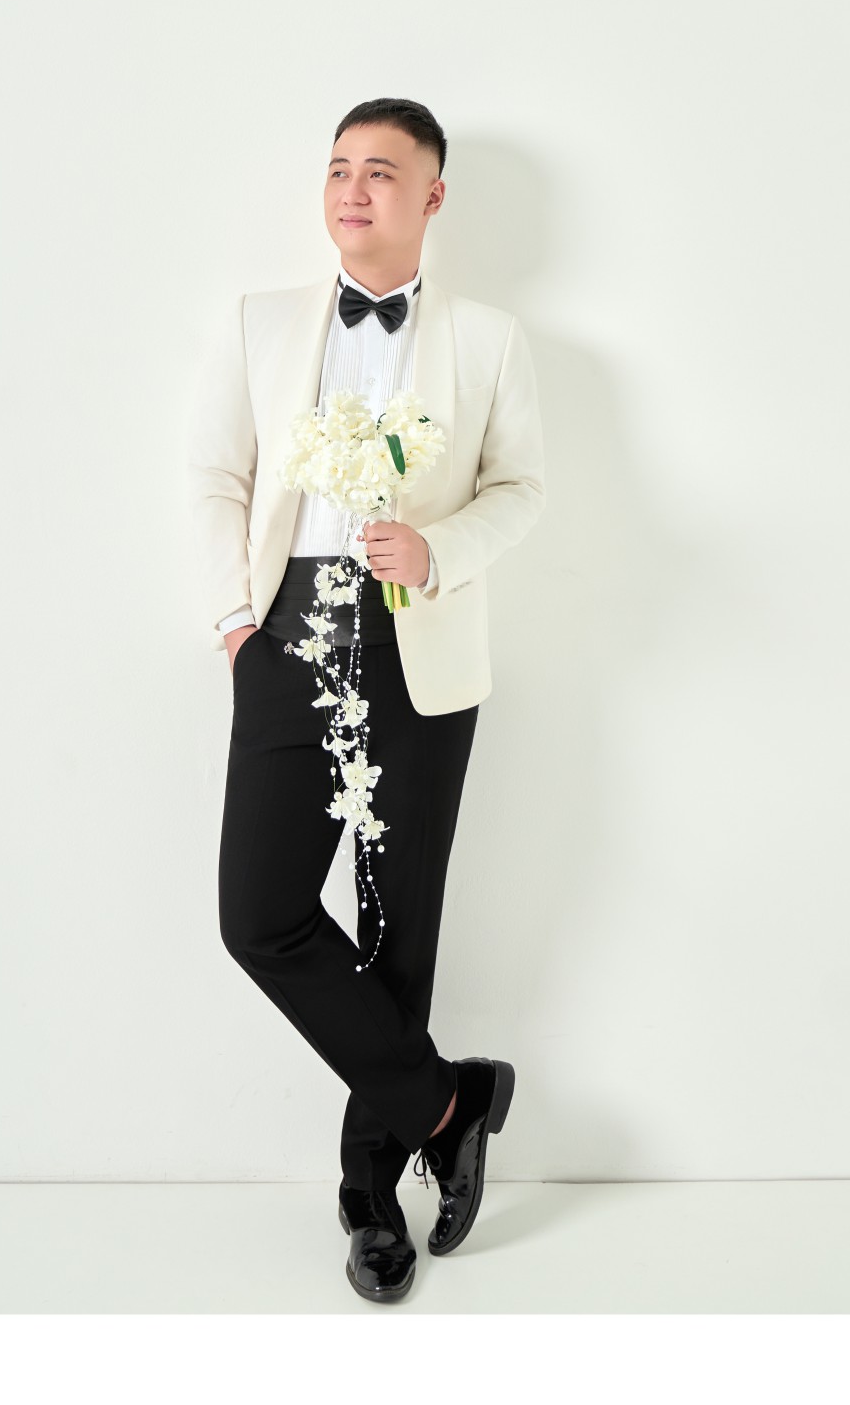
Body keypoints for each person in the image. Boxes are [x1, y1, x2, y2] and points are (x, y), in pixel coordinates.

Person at [187, 97, 545, 1302]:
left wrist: (437, 550)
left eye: (381, 172)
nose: (352, 189)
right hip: (285, 637)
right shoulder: (260, 323)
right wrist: (238, 627)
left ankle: (370, 1198)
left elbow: (521, 487)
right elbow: (213, 476)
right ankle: (449, 1103)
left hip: (419, 648)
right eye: (338, 168)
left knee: (395, 927)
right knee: (261, 915)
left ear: (431, 197)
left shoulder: (488, 340)